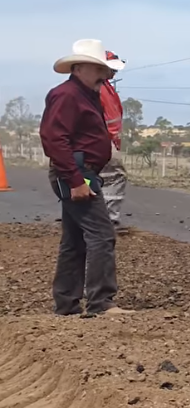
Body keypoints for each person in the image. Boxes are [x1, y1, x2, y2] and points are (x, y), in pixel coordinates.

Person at [39, 39, 134, 317]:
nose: (104, 75)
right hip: (76, 172)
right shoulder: (67, 95)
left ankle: (67, 305)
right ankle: (101, 303)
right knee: (102, 235)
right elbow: (54, 138)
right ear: (79, 68)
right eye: (98, 69)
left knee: (75, 240)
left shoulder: (85, 93)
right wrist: (76, 180)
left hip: (81, 171)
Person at [99, 50, 129, 234]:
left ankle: (94, 220)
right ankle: (109, 221)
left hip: (105, 139)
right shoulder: (101, 89)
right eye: (112, 68)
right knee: (115, 176)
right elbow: (108, 118)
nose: (115, 73)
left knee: (93, 179)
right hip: (103, 140)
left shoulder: (105, 86)